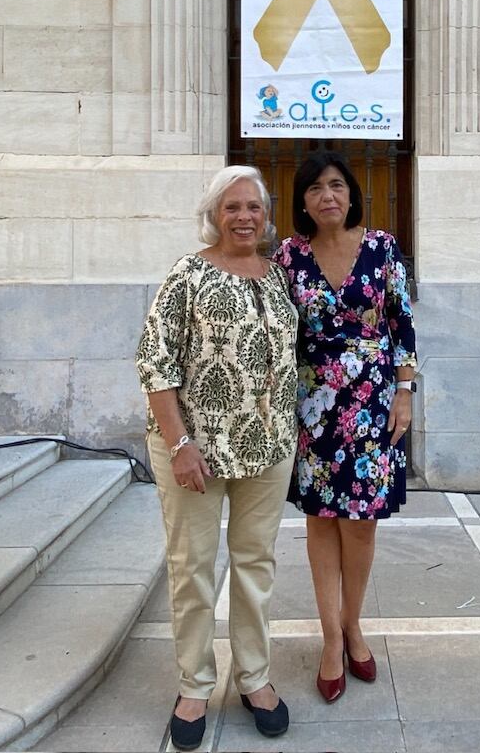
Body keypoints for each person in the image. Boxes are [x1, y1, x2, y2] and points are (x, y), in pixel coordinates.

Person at [136, 165, 299, 750]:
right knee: (193, 568)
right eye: (232, 207)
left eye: (253, 206)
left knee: (256, 564)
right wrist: (179, 444)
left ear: (266, 215)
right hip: (194, 452)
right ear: (214, 214)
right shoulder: (188, 273)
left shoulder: (278, 275)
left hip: (268, 448)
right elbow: (154, 361)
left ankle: (253, 677)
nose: (244, 217)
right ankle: (194, 685)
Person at [273, 151, 417, 703]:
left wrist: (404, 392)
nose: (327, 195)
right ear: (303, 201)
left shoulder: (382, 248)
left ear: (352, 193)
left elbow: (402, 324)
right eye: (314, 188)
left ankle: (354, 624)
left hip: (373, 404)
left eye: (336, 185)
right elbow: (278, 333)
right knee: (321, 522)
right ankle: (331, 637)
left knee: (361, 524)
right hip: (312, 407)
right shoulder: (289, 257)